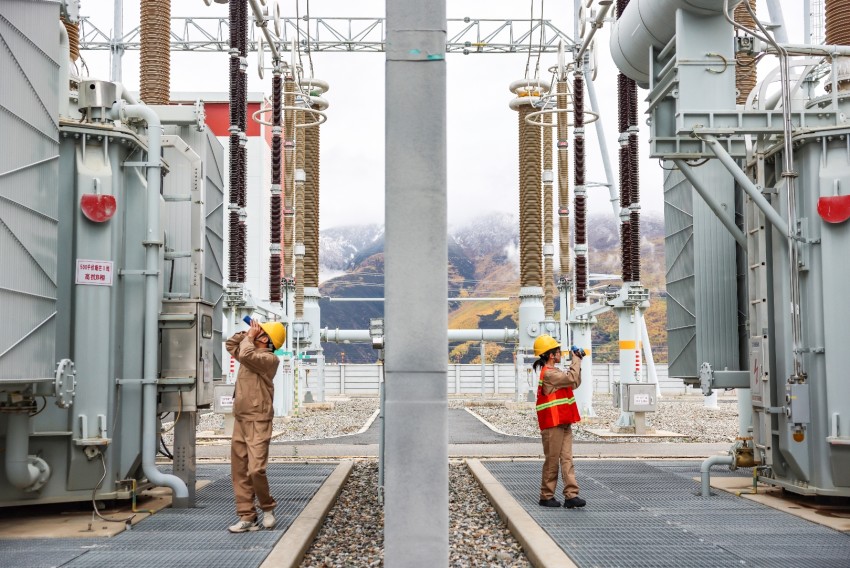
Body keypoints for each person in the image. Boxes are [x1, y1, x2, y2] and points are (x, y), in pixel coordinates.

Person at [225, 318, 286, 533]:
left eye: (261, 332)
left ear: (267, 340)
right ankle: (247, 516)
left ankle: (267, 508)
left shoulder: (269, 359)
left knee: (256, 469)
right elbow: (231, 345)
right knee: (239, 470)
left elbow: (245, 354)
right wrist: (246, 333)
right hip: (241, 417)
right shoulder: (248, 352)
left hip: (258, 419)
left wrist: (250, 338)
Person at [533, 334, 587, 509]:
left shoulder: (555, 373)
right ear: (550, 355)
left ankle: (571, 495)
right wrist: (576, 359)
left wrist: (578, 362)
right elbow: (571, 379)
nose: (560, 353)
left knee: (567, 459)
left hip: (563, 421)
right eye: (557, 351)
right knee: (553, 459)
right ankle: (546, 496)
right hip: (552, 424)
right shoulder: (549, 374)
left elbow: (574, 382)